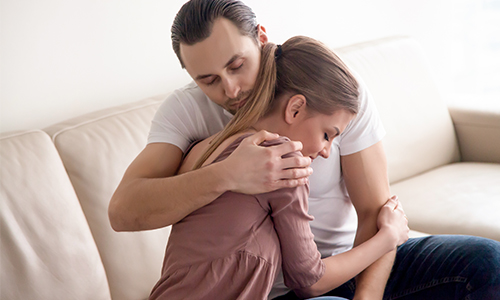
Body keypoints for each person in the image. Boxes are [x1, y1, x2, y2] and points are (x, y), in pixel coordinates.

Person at [109, 0, 500, 299]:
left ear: (261, 38)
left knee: (485, 263)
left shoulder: (332, 92)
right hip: (273, 289)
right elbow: (124, 210)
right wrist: (227, 175)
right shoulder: (187, 112)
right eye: (208, 79)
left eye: (236, 65)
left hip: (351, 264)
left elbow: (376, 213)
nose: (229, 91)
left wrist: (366, 296)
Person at [148, 36, 410, 300]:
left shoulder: (201, 149)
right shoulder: (282, 162)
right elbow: (310, 281)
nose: (326, 151)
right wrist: (388, 237)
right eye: (327, 135)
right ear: (295, 109)